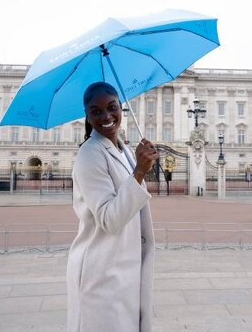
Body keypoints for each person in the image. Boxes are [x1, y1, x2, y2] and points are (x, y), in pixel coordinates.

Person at [66, 81, 159, 332]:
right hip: (102, 271)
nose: (106, 116)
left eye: (112, 107)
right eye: (96, 111)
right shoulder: (89, 153)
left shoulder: (125, 150)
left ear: (121, 108)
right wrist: (139, 171)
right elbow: (110, 218)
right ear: (87, 116)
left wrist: (138, 165)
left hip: (123, 266)